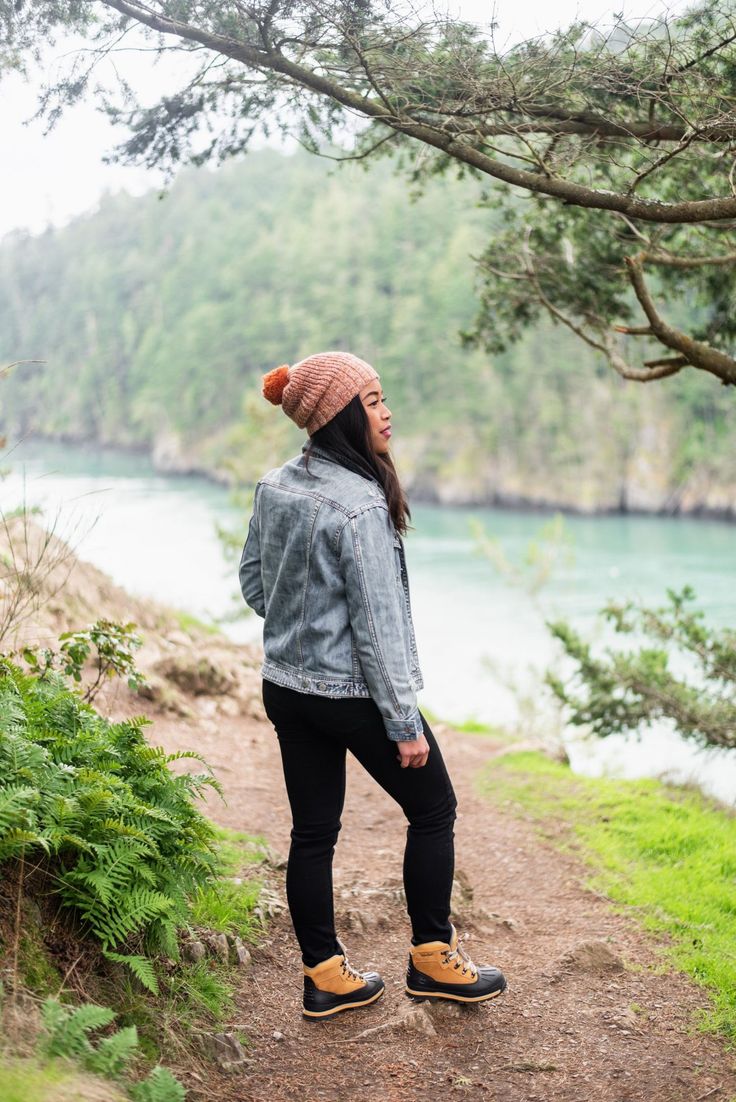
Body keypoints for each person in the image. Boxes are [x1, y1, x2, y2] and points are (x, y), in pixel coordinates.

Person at [238, 350, 507, 1020]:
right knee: (434, 808)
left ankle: (324, 976)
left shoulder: (275, 485)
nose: (387, 413)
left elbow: (252, 584)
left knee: (313, 832)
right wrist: (403, 723)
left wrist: (303, 626)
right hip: (352, 696)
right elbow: (379, 629)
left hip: (285, 688)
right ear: (340, 415)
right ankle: (432, 959)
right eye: (375, 400)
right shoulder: (360, 505)